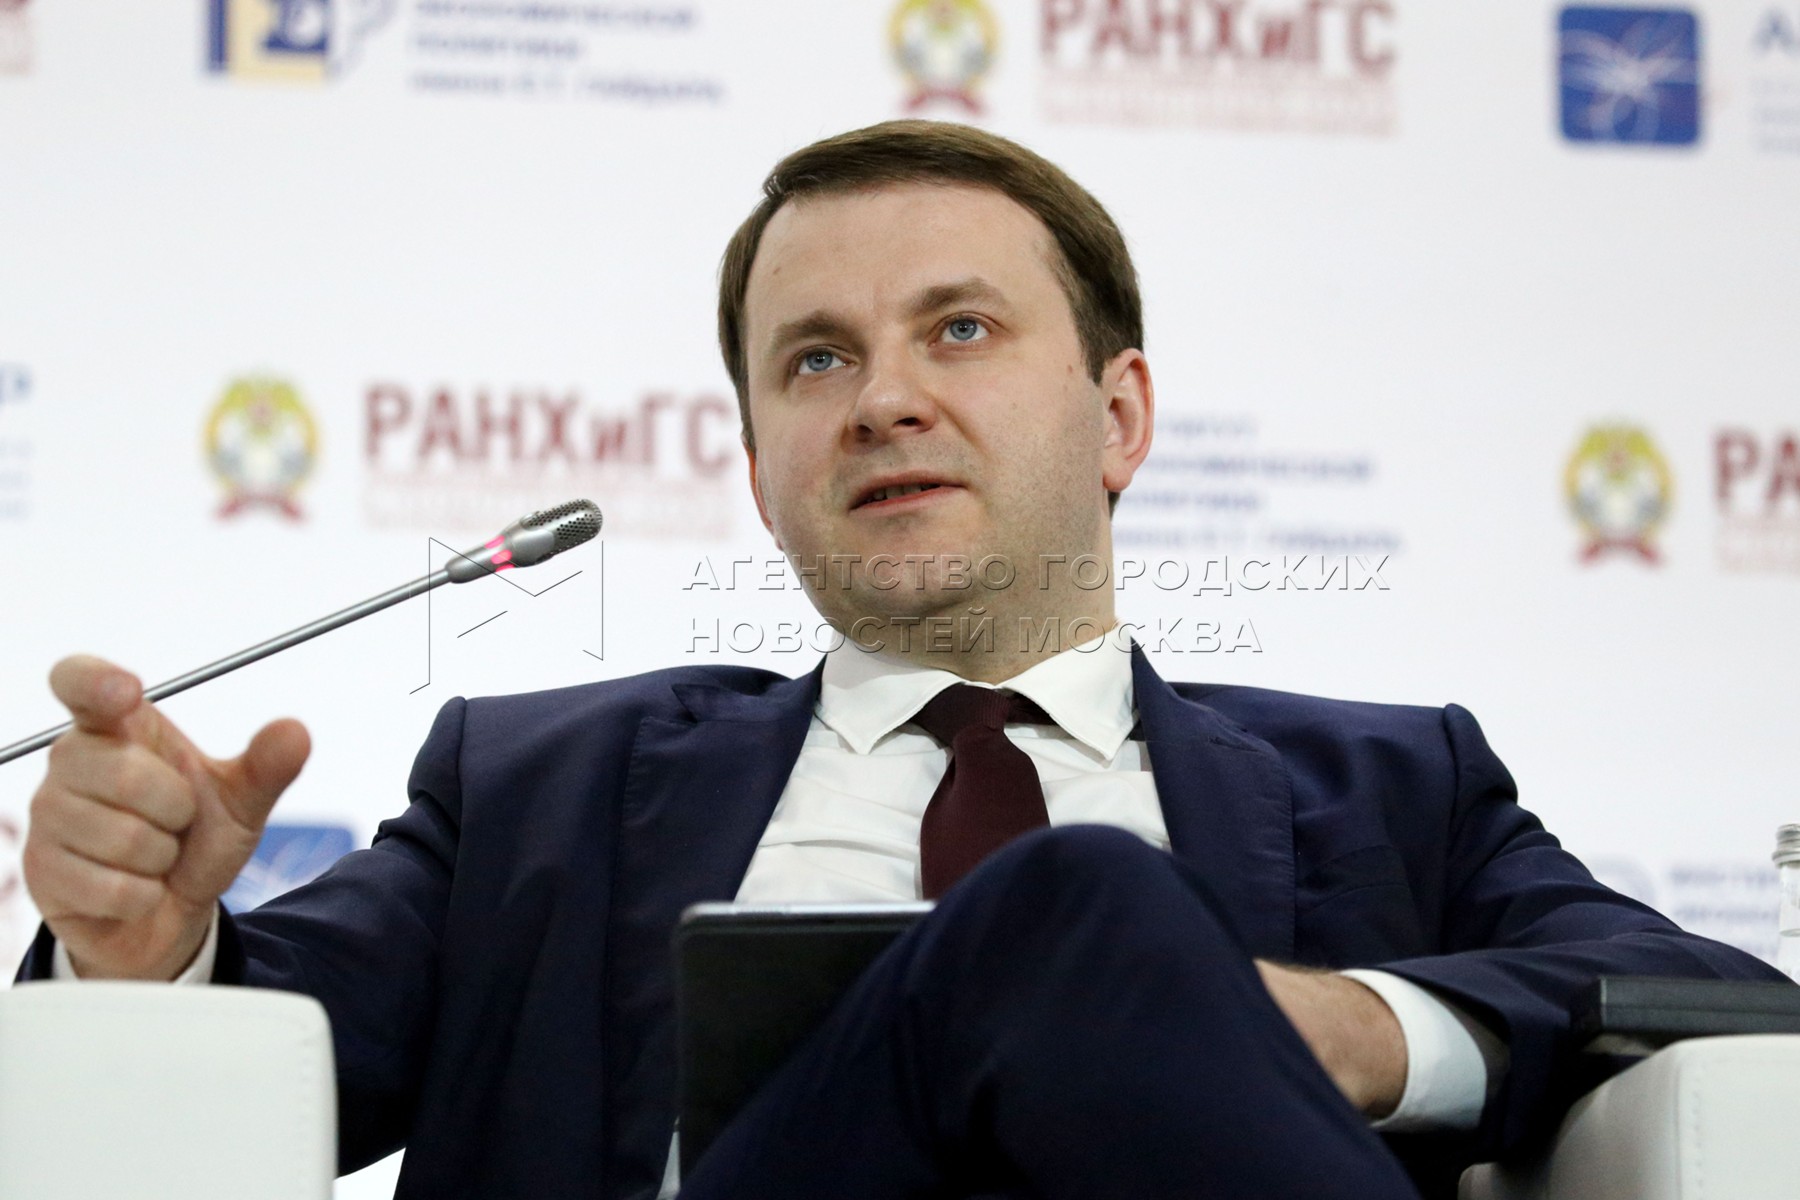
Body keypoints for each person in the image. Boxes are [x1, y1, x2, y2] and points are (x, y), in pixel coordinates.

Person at [14, 121, 1786, 1200]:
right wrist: (146, 957)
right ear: (760, 472)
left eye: (960, 328)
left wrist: (1359, 1032)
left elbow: (1720, 1002)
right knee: (1073, 909)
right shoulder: (537, 792)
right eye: (814, 361)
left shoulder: (1394, 786)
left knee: (1080, 916)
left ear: (1119, 415)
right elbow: (258, 1073)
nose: (883, 399)